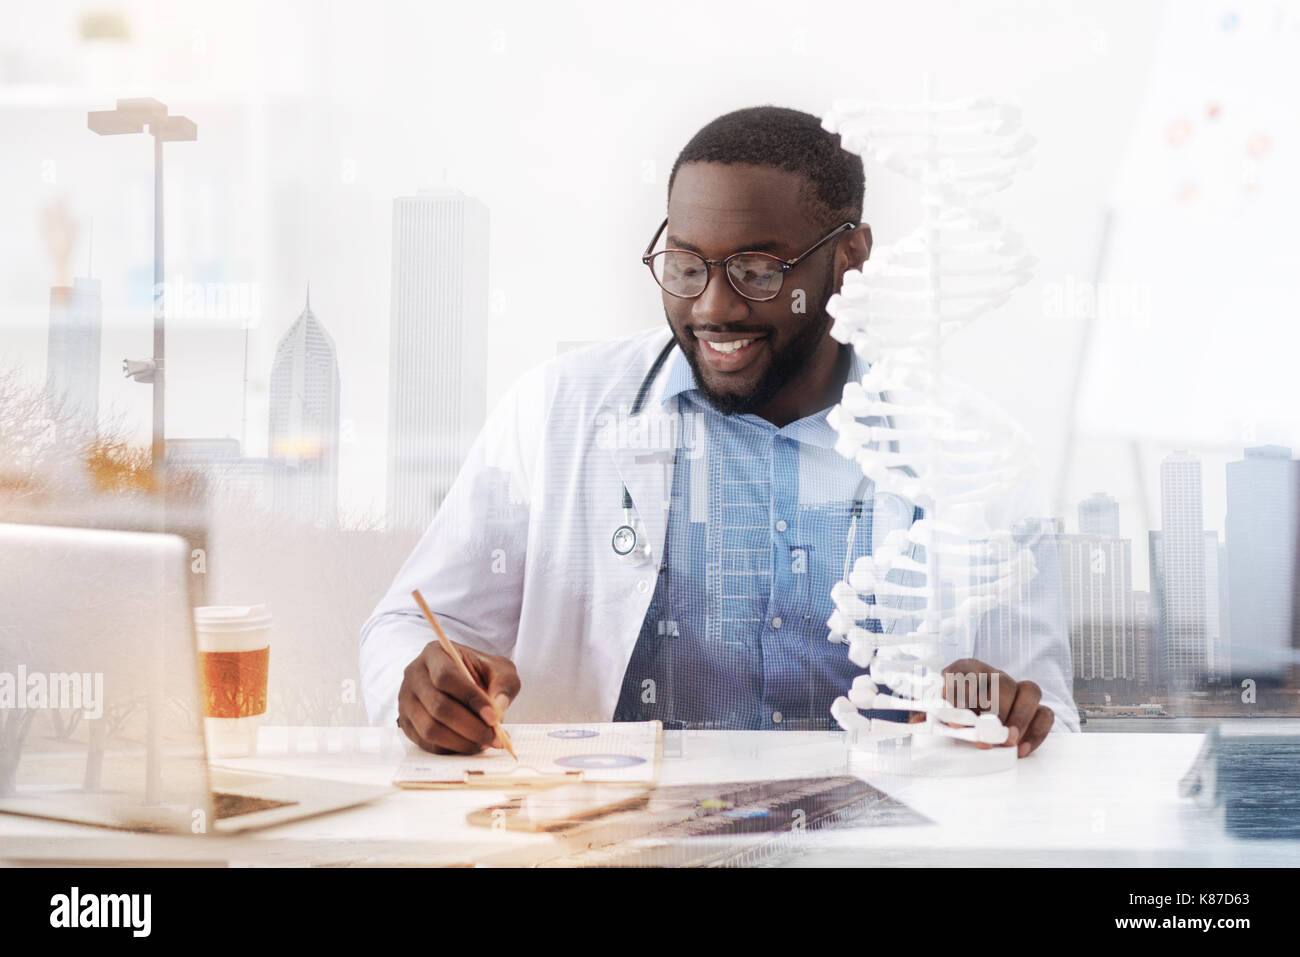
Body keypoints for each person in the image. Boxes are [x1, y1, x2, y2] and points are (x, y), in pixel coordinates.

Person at [360, 105, 1078, 757]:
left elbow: (1046, 719)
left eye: (758, 271)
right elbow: (408, 626)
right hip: (615, 843)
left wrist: (998, 712)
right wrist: (420, 682)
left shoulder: (965, 455)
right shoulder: (559, 410)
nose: (713, 307)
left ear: (850, 255)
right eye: (685, 265)